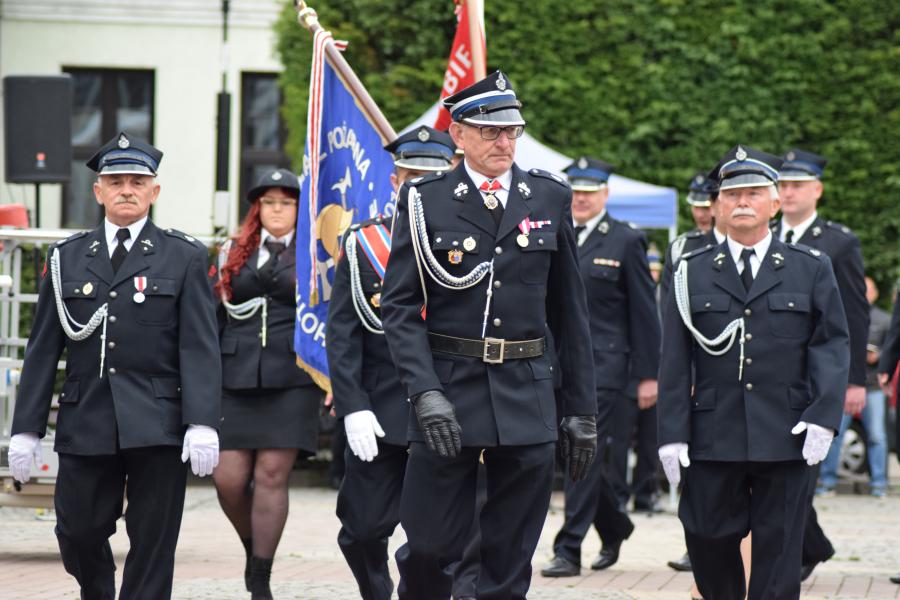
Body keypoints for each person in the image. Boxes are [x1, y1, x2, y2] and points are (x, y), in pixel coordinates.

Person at [380, 70, 597, 600]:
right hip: (449, 389)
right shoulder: (424, 200)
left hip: (526, 389)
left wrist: (581, 409)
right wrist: (424, 392)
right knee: (428, 546)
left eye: (512, 131)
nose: (505, 142)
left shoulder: (546, 196)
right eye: (490, 131)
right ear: (458, 134)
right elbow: (401, 307)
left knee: (510, 551)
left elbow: (570, 313)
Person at [7, 131, 221, 600]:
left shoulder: (182, 256)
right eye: (116, 180)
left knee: (153, 541)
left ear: (155, 191)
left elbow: (200, 346)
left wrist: (202, 421)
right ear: (98, 191)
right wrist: (26, 427)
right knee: (77, 529)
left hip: (159, 420)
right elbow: (43, 347)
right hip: (88, 418)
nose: (127, 189)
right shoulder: (67, 257)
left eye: (138, 181)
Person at [657, 145, 849, 600]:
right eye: (732, 194)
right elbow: (674, 356)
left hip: (786, 431)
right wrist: (670, 431)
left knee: (780, 546)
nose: (742, 201)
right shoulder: (689, 271)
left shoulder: (811, 268)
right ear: (718, 205)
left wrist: (824, 415)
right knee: (704, 533)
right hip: (712, 430)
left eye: (753, 193)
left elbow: (831, 344)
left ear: (775, 202)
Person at [326, 126, 456, 600]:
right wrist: (353, 405)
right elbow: (342, 335)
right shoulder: (365, 243)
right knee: (360, 531)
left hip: (449, 409)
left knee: (433, 544)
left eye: (431, 176)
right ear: (395, 181)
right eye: (410, 176)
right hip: (379, 412)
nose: (419, 184)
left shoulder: (475, 241)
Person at [541, 156, 660, 577]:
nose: (583, 201)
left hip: (606, 368)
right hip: (555, 364)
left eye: (591, 193)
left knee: (581, 452)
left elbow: (645, 312)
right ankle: (614, 524)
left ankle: (568, 548)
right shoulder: (551, 232)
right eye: (578, 193)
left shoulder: (625, 240)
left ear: (605, 195)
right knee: (563, 452)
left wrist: (649, 375)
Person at [210, 168, 323, 600]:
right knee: (229, 478)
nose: (278, 210)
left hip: (292, 379)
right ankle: (252, 546)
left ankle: (260, 578)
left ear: (300, 208)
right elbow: (212, 318)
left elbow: (330, 320)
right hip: (233, 376)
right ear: (257, 208)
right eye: (270, 202)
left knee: (272, 475)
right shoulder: (230, 252)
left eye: (287, 202)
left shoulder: (317, 253)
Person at [774, 148, 869, 580]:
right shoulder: (764, 233)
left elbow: (852, 314)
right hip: (771, 379)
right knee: (777, 476)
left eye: (797, 185)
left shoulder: (839, 242)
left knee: (801, 477)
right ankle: (811, 545)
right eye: (783, 184)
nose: (788, 192)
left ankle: (793, 558)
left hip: (816, 381)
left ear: (818, 189)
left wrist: (853, 381)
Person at [818, 275, 891, 496]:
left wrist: (878, 358)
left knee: (877, 436)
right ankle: (827, 481)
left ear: (875, 293)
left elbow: (892, 349)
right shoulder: (843, 315)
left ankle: (879, 483)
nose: (865, 293)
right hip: (846, 385)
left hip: (873, 387)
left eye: (869, 290)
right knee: (835, 435)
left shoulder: (884, 320)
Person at [660, 171, 721, 312]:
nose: (700, 214)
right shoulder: (680, 247)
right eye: (696, 207)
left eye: (705, 208)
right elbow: (667, 305)